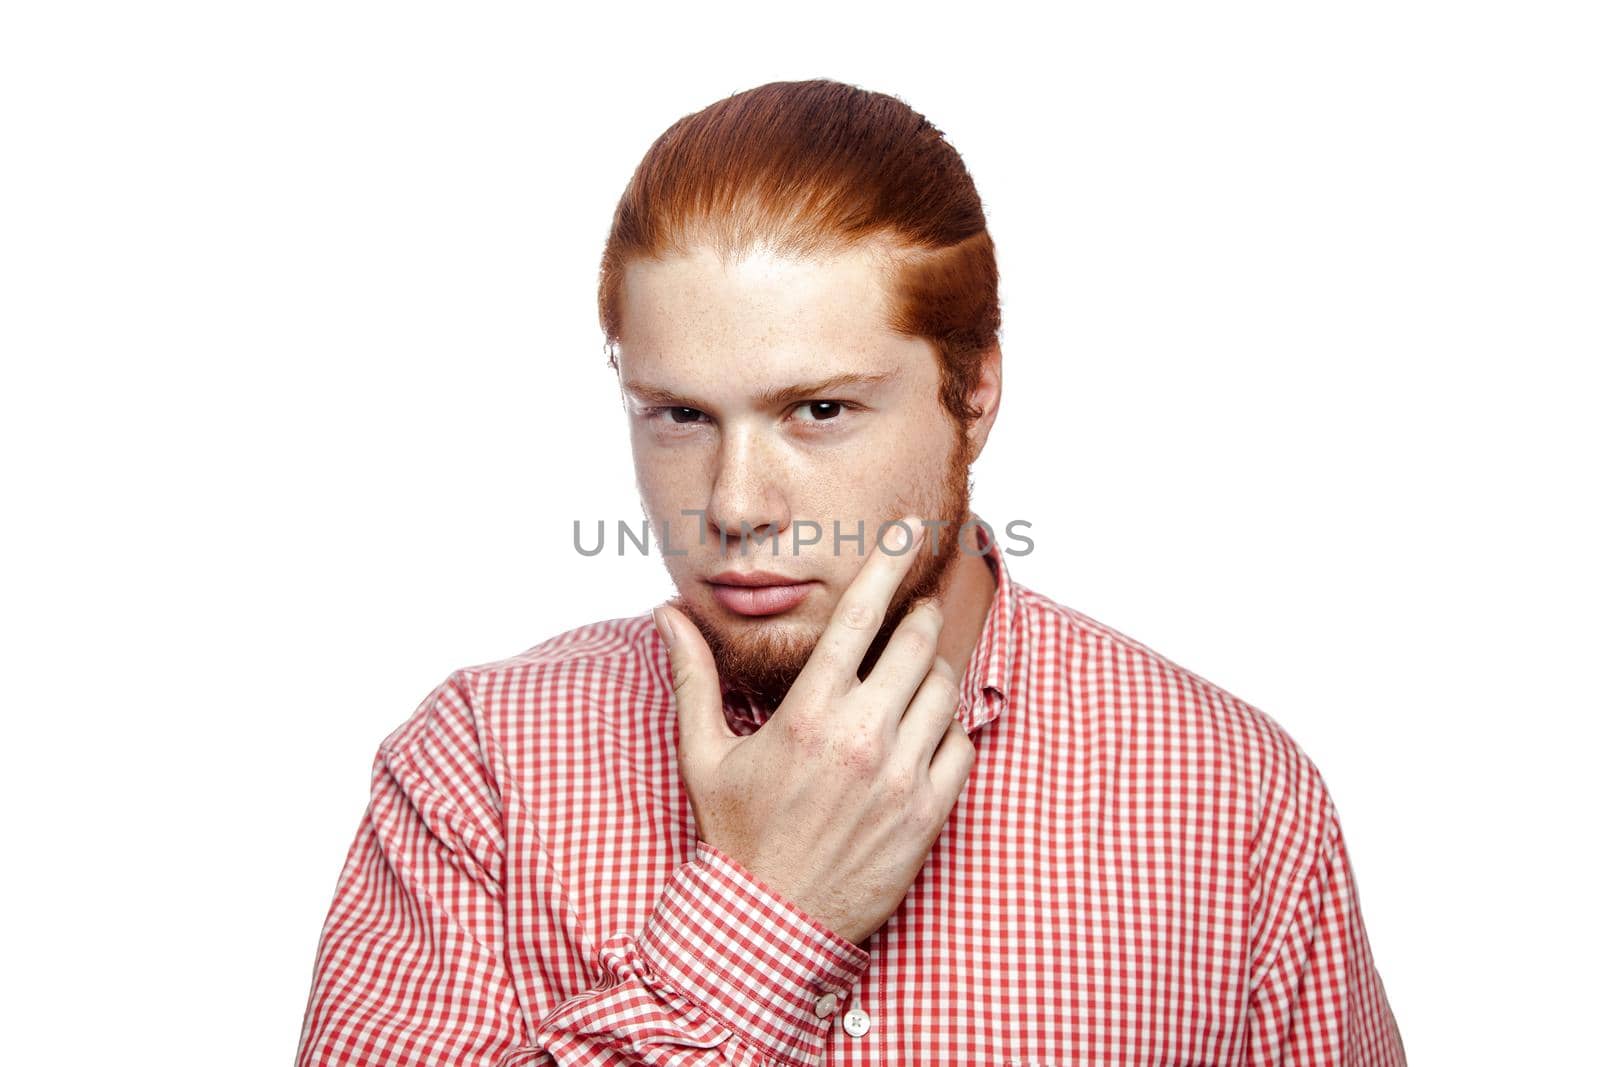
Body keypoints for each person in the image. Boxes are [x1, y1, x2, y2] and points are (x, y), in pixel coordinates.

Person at [296, 78, 1406, 1066]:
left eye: (817, 410)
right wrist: (763, 914)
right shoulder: (478, 769)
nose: (733, 504)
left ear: (972, 391)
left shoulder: (1233, 800)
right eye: (679, 414)